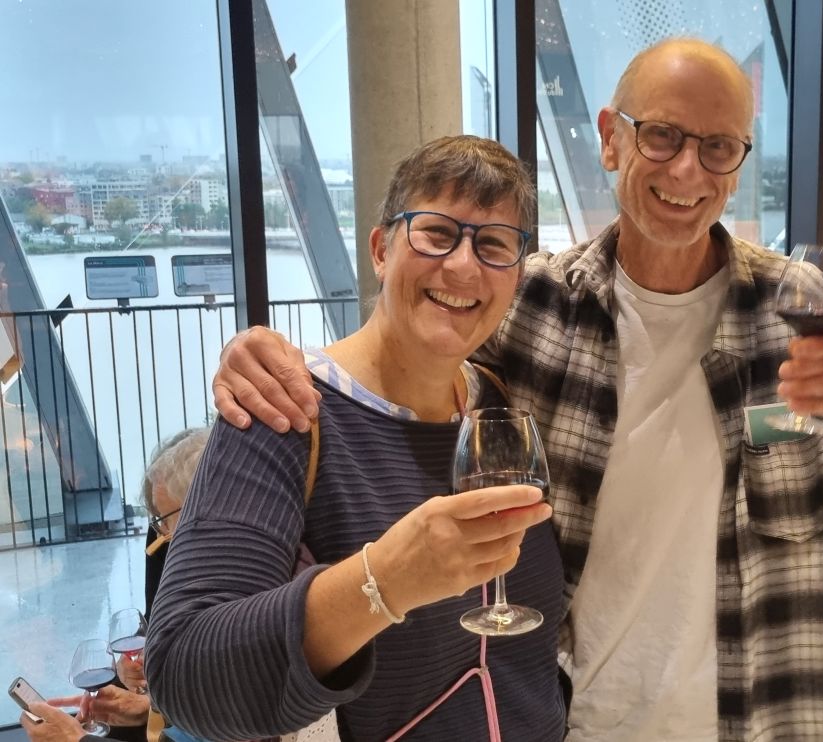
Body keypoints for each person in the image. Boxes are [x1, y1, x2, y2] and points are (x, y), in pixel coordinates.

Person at [211, 37, 823, 742]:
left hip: (768, 718)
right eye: (661, 136)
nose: (687, 169)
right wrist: (270, 356)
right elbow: (408, 350)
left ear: (738, 163)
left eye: (717, 146)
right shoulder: (531, 305)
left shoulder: (793, 308)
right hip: (580, 720)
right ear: (610, 140)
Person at [144, 136, 565, 741]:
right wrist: (385, 580)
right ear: (380, 249)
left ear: (517, 274)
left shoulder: (496, 404)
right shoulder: (287, 412)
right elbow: (182, 672)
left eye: (494, 244)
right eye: (436, 233)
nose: (464, 266)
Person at [21, 428, 211, 742]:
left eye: (166, 519)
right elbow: (205, 717)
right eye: (156, 521)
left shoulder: (247, 613)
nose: (161, 536)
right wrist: (149, 708)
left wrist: (77, 741)